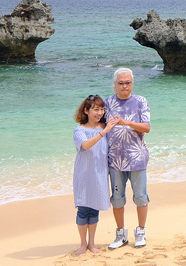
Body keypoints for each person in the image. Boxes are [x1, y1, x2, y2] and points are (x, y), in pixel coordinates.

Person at [105, 68, 151, 248]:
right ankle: (120, 234)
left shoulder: (140, 101)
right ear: (115, 84)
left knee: (140, 197)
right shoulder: (108, 103)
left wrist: (127, 122)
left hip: (137, 158)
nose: (124, 86)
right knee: (117, 198)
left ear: (133, 83)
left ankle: (141, 232)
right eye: (121, 83)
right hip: (115, 159)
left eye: (128, 82)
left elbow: (146, 127)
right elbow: (98, 123)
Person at [73, 95, 118, 255]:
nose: (99, 113)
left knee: (95, 209)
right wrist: (103, 132)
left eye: (101, 109)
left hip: (99, 174)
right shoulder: (79, 129)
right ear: (86, 110)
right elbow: (85, 146)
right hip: (84, 174)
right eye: (95, 109)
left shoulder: (105, 126)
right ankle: (83, 244)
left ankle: (92, 243)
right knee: (83, 209)